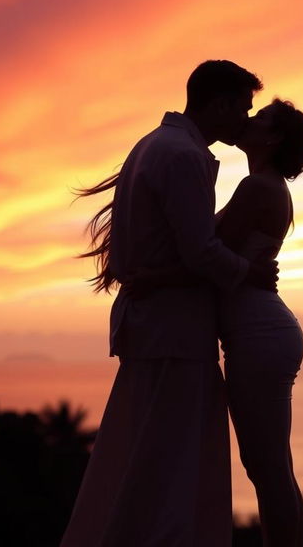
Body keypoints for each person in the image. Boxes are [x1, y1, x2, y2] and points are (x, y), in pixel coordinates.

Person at [60, 60, 277, 547]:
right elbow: (200, 251)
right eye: (242, 108)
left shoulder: (153, 145)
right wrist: (250, 271)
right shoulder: (184, 155)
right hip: (175, 335)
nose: (245, 119)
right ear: (218, 104)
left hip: (155, 330)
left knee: (144, 458)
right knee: (173, 465)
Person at [131, 98, 303, 547]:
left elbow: (205, 261)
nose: (248, 119)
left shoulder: (258, 189)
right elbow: (214, 254)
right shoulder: (260, 186)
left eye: (260, 118)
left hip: (258, 334)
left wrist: (148, 279)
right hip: (258, 332)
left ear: (272, 139)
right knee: (269, 465)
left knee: (268, 467)